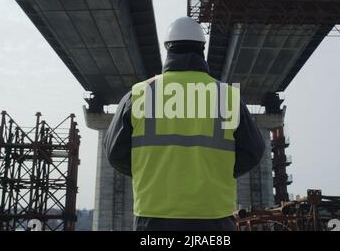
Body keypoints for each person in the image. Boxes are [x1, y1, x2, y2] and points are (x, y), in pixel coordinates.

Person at [104, 17, 265, 231]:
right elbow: (253, 151)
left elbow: (115, 153)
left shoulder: (140, 94)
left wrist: (150, 170)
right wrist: (218, 171)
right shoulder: (227, 96)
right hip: (215, 216)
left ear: (168, 49)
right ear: (202, 49)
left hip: (153, 217)